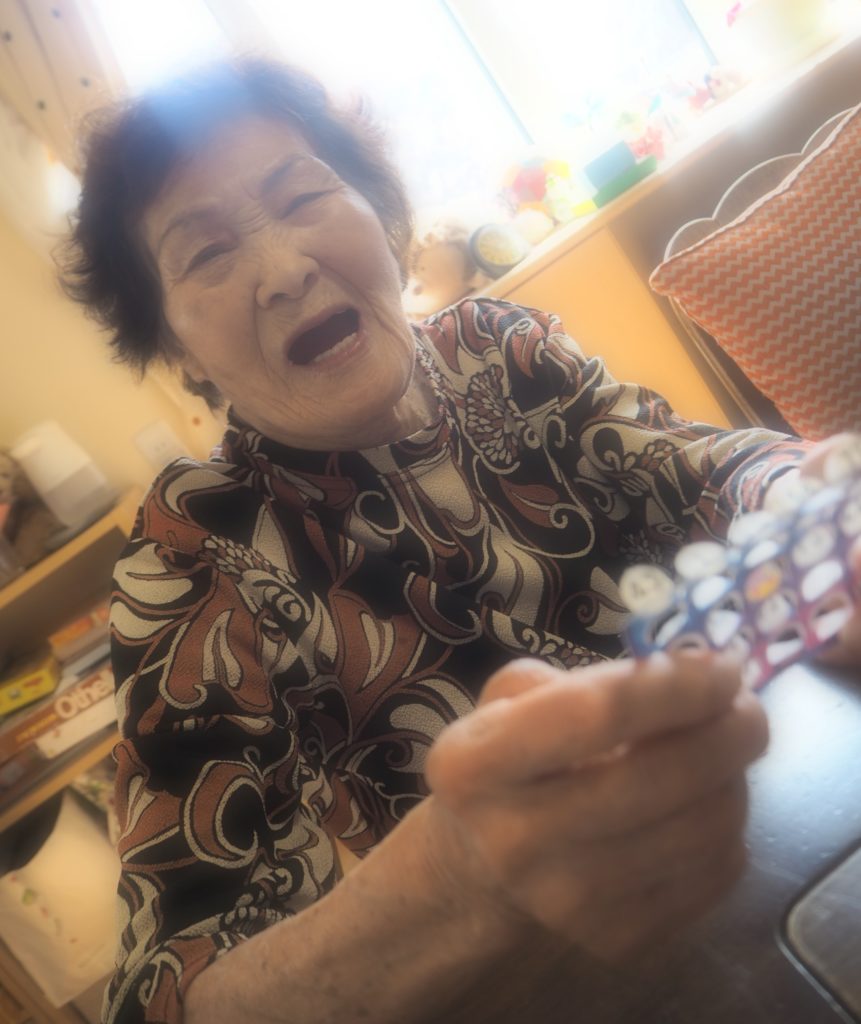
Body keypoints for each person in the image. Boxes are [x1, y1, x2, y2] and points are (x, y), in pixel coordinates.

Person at [60, 58, 860, 1024]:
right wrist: (455, 881)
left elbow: (695, 466)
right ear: (174, 344)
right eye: (207, 254)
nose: (284, 269)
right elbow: (160, 993)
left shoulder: (499, 348)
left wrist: (808, 498)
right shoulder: (192, 551)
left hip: (781, 813)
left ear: (381, 216)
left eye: (303, 195)